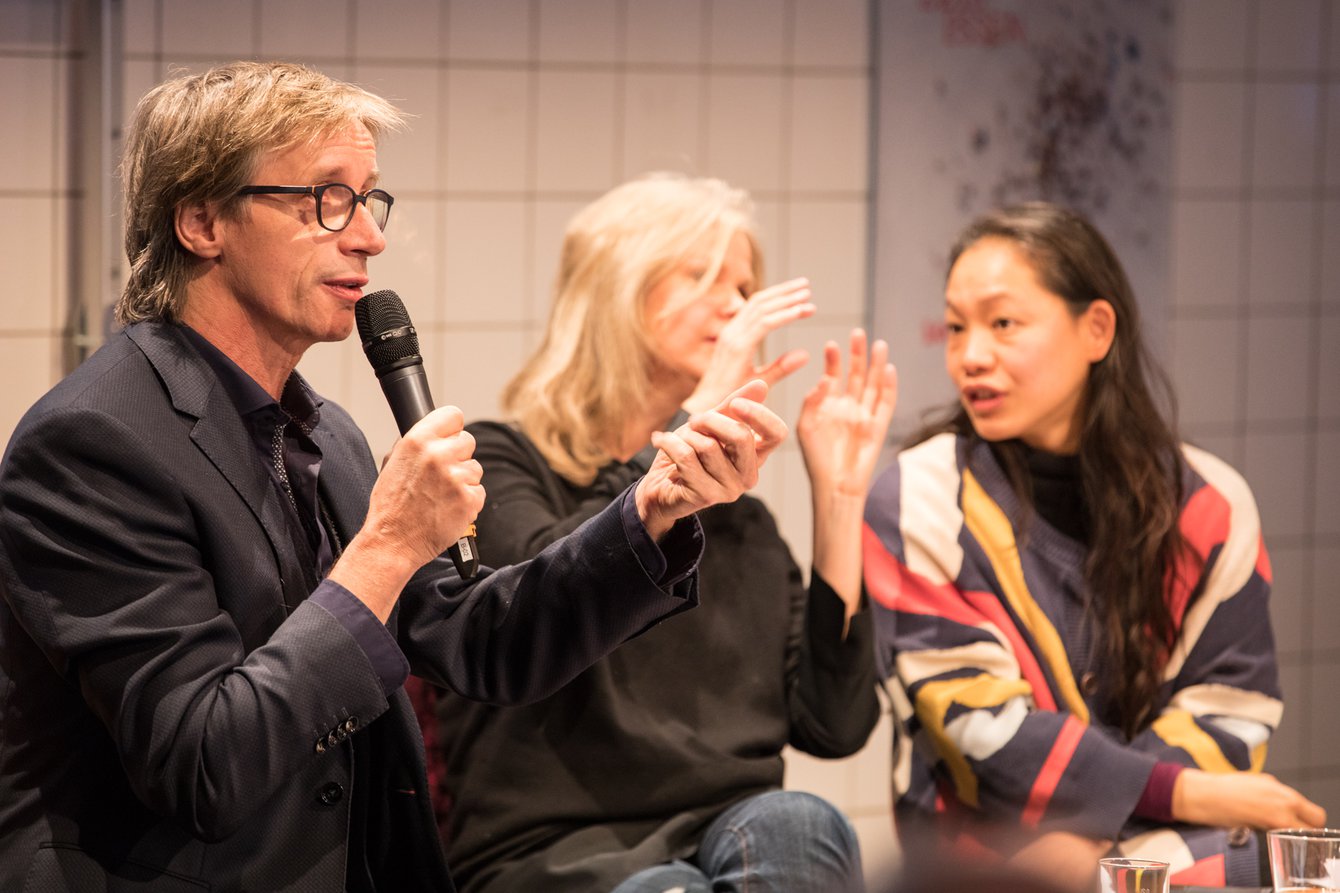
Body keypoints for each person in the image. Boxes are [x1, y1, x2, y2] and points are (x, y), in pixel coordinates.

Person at [0, 63, 789, 892]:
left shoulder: (325, 432)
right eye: (325, 198)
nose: (368, 236)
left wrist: (651, 511)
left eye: (368, 198)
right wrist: (387, 544)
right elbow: (203, 761)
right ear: (202, 220)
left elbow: (482, 643)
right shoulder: (94, 441)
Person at [424, 173, 898, 893]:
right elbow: (539, 605)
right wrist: (695, 423)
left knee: (805, 820)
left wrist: (839, 496)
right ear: (618, 289)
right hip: (555, 852)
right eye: (707, 277)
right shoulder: (497, 461)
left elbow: (834, 724)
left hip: (730, 828)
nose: (739, 307)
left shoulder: (743, 520)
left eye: (746, 287)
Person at [862, 201, 1325, 891]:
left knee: (1268, 866)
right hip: (987, 858)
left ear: (1096, 329)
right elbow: (983, 735)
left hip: (1157, 844)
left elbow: (1230, 710)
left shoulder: (1209, 505)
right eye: (957, 327)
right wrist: (1180, 793)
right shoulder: (917, 497)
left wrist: (1099, 843)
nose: (970, 355)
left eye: (1003, 323)